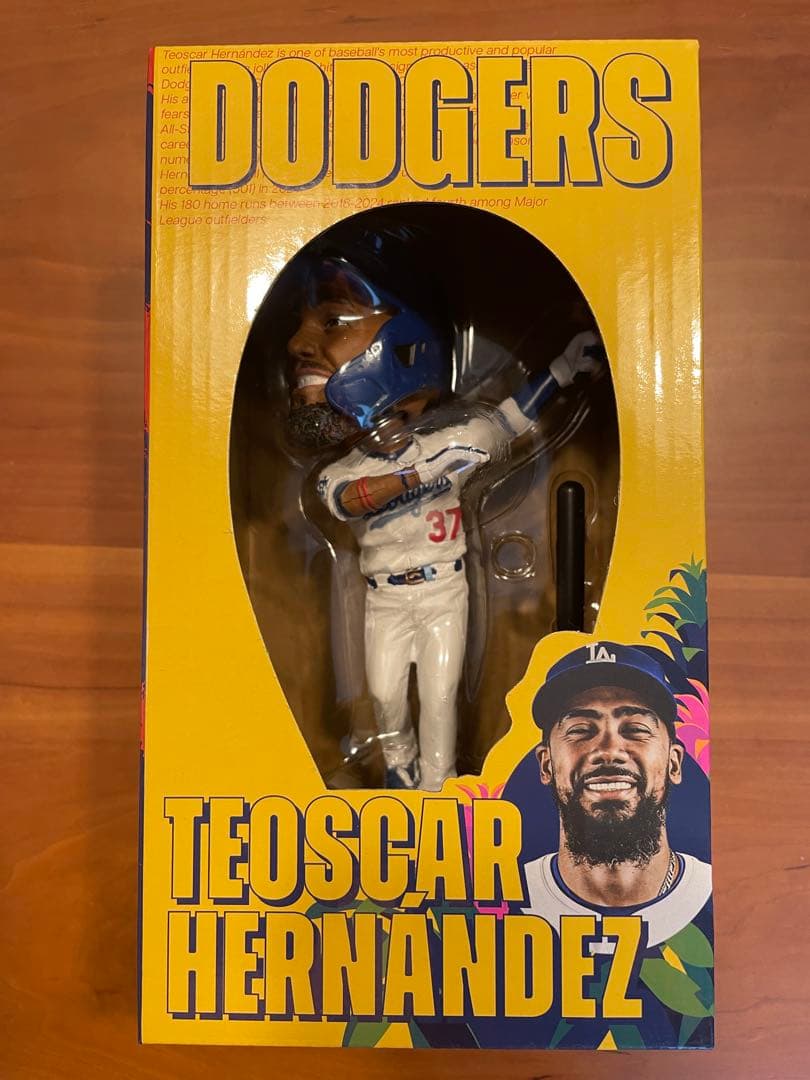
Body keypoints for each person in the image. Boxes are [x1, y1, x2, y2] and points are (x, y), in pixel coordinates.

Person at [285, 221, 601, 790]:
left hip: (442, 593)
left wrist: (561, 369)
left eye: (333, 321)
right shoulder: (348, 468)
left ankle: (439, 784)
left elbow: (510, 418)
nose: (297, 345)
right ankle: (400, 770)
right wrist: (423, 473)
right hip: (384, 599)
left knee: (439, 696)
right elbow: (352, 500)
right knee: (385, 697)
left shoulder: (452, 438)